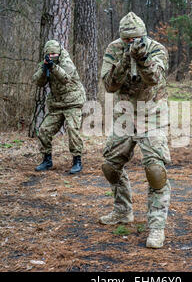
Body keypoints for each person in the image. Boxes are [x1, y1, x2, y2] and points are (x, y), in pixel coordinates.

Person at [99, 12, 171, 248]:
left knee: (155, 170)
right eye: (127, 40)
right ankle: (123, 210)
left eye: (136, 39)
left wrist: (140, 60)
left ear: (144, 35)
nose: (131, 43)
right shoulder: (114, 49)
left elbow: (154, 78)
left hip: (152, 115)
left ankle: (156, 227)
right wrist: (123, 61)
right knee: (110, 166)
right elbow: (109, 85)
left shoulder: (157, 49)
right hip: (125, 115)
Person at [32, 39, 86, 173]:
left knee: (73, 130)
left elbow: (65, 78)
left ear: (59, 53)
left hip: (73, 102)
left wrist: (53, 67)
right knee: (44, 130)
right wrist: (44, 69)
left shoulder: (66, 62)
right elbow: (38, 81)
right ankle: (47, 160)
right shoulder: (45, 63)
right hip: (56, 104)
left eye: (54, 55)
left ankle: (77, 160)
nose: (52, 57)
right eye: (49, 55)